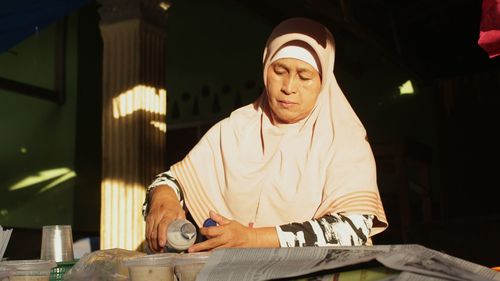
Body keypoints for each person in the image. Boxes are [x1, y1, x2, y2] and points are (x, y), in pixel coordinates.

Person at [143, 17, 388, 253]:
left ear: (323, 82)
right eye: (279, 71)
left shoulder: (344, 141)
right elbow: (173, 180)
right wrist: (163, 198)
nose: (289, 87)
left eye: (304, 76)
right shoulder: (235, 130)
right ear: (265, 69)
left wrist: (253, 239)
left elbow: (353, 228)